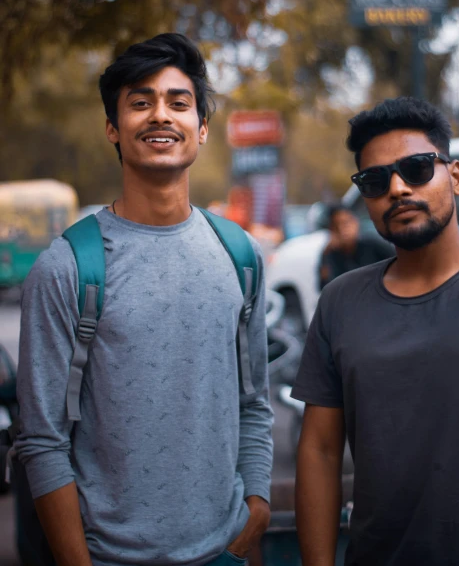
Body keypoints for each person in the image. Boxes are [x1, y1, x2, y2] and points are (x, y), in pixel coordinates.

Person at [15, 33, 273, 566]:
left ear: (201, 128)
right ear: (113, 127)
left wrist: (257, 511)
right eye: (140, 102)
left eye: (179, 103)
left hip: (227, 551)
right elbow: (42, 440)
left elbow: (254, 403)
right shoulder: (66, 268)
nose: (161, 115)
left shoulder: (240, 254)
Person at [292, 96, 459, 566]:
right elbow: (319, 451)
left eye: (417, 168)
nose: (396, 188)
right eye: (375, 180)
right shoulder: (340, 301)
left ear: (454, 176)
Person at [318, 205, 391, 289]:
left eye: (346, 223)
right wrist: (326, 255)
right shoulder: (330, 253)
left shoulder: (372, 244)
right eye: (335, 225)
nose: (341, 229)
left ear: (355, 222)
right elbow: (324, 287)